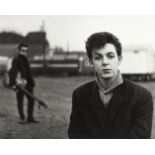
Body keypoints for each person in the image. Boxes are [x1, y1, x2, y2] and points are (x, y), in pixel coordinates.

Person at [68, 32, 153, 139]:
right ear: (91, 62)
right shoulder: (79, 95)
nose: (105, 62)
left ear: (119, 59)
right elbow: (75, 135)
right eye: (98, 57)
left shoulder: (142, 96)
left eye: (110, 56)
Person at [8, 43, 38, 124]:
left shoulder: (26, 60)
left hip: (28, 83)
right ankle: (22, 118)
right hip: (20, 84)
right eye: (23, 50)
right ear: (19, 50)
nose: (24, 52)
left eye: (26, 50)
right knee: (20, 101)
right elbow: (13, 72)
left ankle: (30, 117)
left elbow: (28, 72)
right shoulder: (16, 60)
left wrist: (30, 81)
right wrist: (13, 84)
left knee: (31, 100)